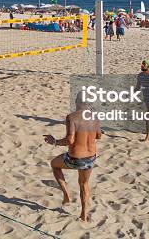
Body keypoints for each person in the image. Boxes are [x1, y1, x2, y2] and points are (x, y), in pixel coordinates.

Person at [44, 92, 101, 222]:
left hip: (75, 158)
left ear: (77, 102)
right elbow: (99, 136)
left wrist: (55, 141)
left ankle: (66, 195)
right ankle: (84, 215)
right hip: (91, 157)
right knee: (84, 184)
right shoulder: (95, 117)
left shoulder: (72, 117)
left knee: (54, 164)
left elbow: (70, 140)